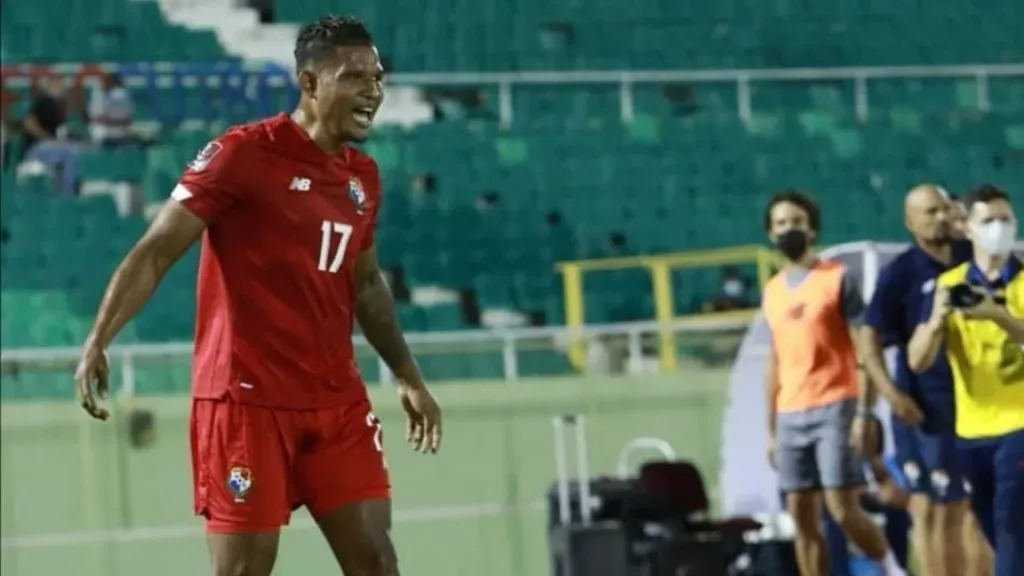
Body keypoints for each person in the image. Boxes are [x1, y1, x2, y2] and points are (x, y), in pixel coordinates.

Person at [73, 15, 443, 576]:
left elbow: (366, 284)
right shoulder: (241, 153)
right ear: (309, 82)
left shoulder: (362, 178)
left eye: (377, 77)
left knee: (376, 561)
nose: (373, 91)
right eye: (354, 77)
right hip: (246, 403)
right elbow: (155, 251)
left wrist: (409, 377)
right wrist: (99, 339)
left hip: (336, 402)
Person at [761, 190, 907, 576]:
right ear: (770, 233)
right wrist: (770, 429)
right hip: (790, 411)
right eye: (781, 223)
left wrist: (863, 412)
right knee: (800, 515)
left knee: (842, 509)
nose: (789, 229)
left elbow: (864, 348)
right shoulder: (772, 291)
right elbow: (775, 361)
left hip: (835, 404)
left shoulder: (837, 279)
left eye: (796, 222)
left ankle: (890, 566)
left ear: (812, 229)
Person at [908, 184, 1024, 576]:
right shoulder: (949, 284)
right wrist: (935, 321)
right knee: (997, 535)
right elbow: (918, 360)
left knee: (1010, 531)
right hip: (972, 432)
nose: (999, 228)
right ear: (966, 228)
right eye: (988, 220)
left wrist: (997, 315)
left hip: (1019, 426)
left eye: (1006, 219)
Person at [860, 184, 974, 576]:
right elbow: (868, 340)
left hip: (976, 403)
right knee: (935, 509)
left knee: (971, 509)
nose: (940, 218)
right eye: (929, 212)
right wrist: (891, 396)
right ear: (910, 222)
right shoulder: (901, 273)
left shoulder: (972, 256)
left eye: (944, 209)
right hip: (926, 411)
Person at [823, 415, 913, 576]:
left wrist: (877, 468)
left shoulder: (890, 463)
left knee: (896, 513)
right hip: (854, 509)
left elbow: (899, 497)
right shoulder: (840, 466)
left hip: (881, 510)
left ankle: (894, 568)